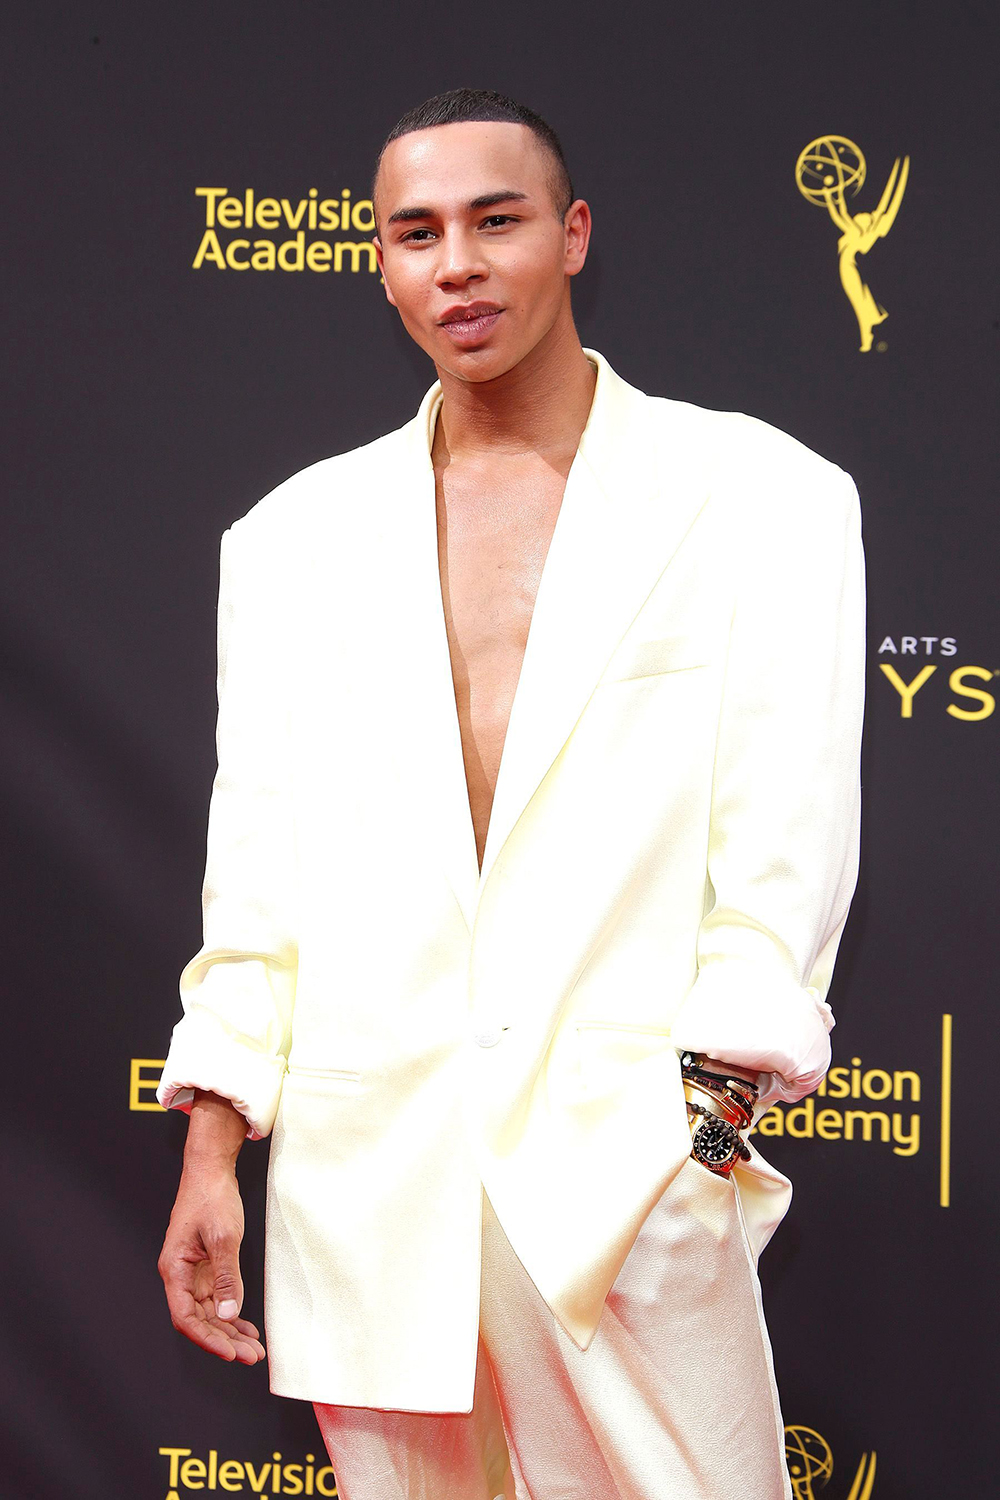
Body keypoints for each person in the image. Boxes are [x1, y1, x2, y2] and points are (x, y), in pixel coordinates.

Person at [156, 88, 866, 1500]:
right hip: (372, 1175)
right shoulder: (292, 539)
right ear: (379, 260)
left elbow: (786, 849)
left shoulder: (756, 494)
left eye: (497, 221)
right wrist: (212, 1143)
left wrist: (696, 1136)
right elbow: (260, 872)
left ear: (573, 233)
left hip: (626, 1177)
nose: (457, 265)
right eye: (416, 233)